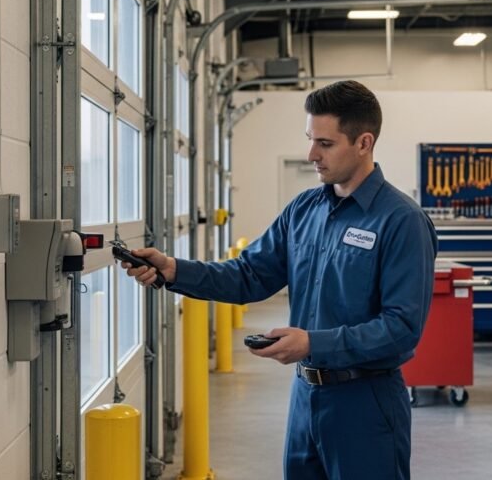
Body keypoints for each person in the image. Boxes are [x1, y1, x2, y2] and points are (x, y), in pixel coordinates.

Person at [123, 80, 438, 480]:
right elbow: (249, 275)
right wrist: (174, 270)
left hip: (366, 403)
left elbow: (401, 328)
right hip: (305, 397)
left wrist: (313, 342)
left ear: (364, 142)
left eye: (325, 143)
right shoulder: (305, 209)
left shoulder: (402, 221)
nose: (311, 154)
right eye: (310, 140)